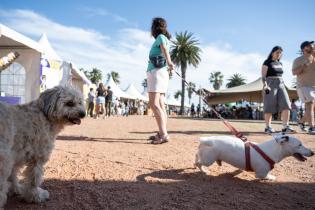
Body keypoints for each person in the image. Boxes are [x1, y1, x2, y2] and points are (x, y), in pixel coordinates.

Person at [147, 17, 174, 144]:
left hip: (156, 73)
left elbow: (164, 49)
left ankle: (163, 134)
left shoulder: (161, 38)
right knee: (161, 104)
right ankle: (162, 131)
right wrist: (169, 65)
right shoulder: (164, 38)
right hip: (161, 73)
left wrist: (169, 62)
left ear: (155, 27)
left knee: (154, 104)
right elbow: (165, 51)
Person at [261, 46, 295, 134]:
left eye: (280, 53)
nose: (279, 54)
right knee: (269, 106)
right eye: (277, 52)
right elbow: (263, 76)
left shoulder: (280, 63)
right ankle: (268, 127)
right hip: (270, 83)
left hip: (281, 83)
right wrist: (265, 86)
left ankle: (285, 126)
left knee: (286, 104)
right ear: (272, 53)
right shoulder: (267, 62)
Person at [292, 41, 315, 134]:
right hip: (303, 86)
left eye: (312, 45)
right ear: (303, 49)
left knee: (311, 107)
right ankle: (312, 127)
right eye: (309, 46)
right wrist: (304, 66)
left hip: (313, 86)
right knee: (309, 104)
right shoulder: (298, 60)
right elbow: (294, 72)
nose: (312, 47)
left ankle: (301, 122)